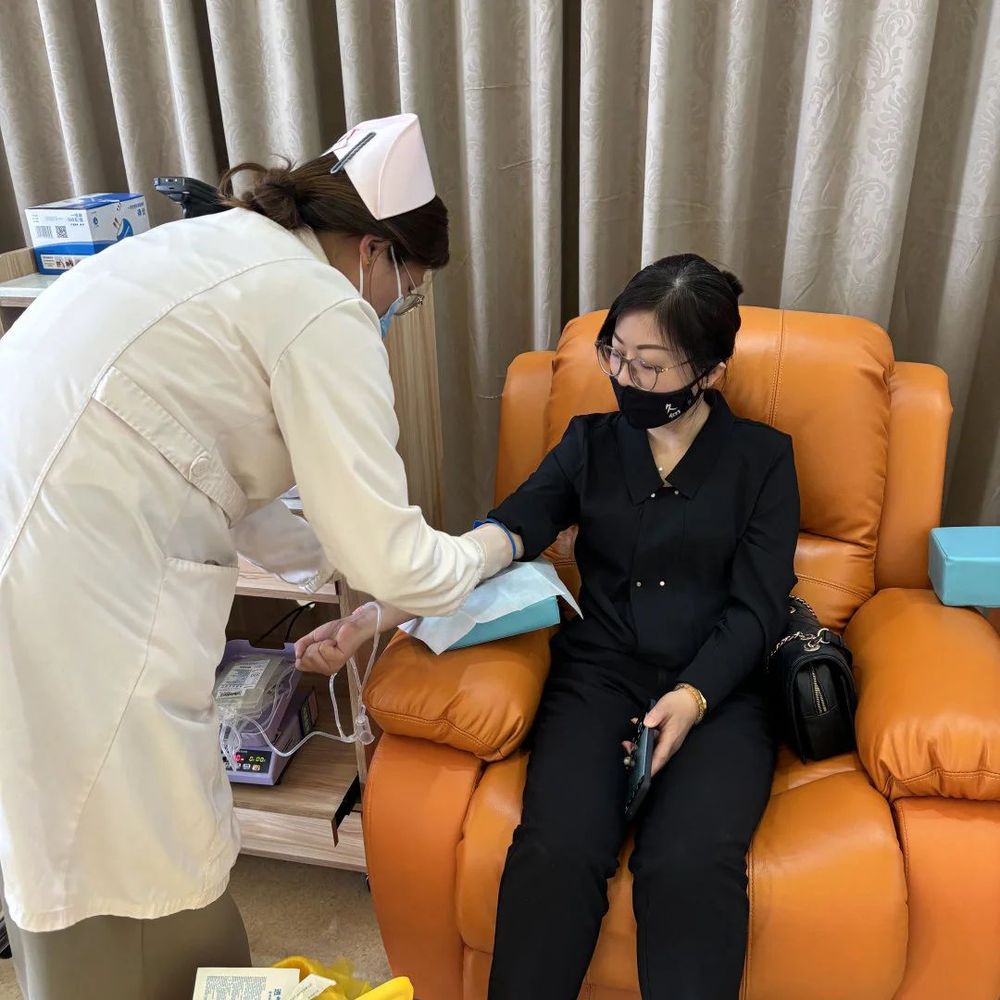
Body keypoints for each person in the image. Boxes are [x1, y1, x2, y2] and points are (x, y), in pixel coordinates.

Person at [0, 113, 518, 1000]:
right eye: (408, 293)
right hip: (72, 576)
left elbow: (216, 468)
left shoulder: (217, 247)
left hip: (48, 530)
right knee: (121, 847)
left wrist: (340, 582)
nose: (395, 312)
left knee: (75, 829)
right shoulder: (323, 306)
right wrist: (489, 547)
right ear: (375, 252)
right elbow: (395, 560)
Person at [316, 254, 800, 999]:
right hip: (599, 679)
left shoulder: (762, 461)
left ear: (709, 372)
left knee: (688, 865)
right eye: (616, 355)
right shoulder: (589, 443)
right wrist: (379, 613)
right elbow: (500, 538)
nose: (625, 378)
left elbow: (758, 609)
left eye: (650, 366)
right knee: (556, 851)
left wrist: (694, 696)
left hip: (720, 690)